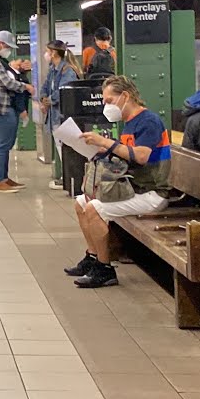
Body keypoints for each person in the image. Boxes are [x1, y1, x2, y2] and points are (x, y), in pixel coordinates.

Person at [65, 75, 172, 288]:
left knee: (95, 208)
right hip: (134, 187)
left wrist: (105, 142)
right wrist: (102, 150)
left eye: (109, 101)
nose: (106, 106)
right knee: (81, 203)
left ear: (125, 96)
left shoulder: (148, 121)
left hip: (152, 192)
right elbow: (126, 153)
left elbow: (141, 156)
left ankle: (105, 269)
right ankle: (93, 257)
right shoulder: (129, 123)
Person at [0, 30, 34, 193]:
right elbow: (6, 82)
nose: (9, 50)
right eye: (8, 47)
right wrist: (26, 86)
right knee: (3, 145)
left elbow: (3, 80)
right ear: (0, 44)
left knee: (7, 143)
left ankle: (3, 178)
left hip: (4, 104)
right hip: (1, 106)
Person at [39, 40, 81, 188]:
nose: (45, 54)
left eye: (47, 51)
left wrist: (49, 100)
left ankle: (70, 178)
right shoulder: (53, 69)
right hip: (54, 116)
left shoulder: (67, 70)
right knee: (60, 147)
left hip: (63, 116)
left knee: (66, 147)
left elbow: (65, 90)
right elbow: (45, 87)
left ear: (54, 53)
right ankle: (66, 176)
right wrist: (43, 98)